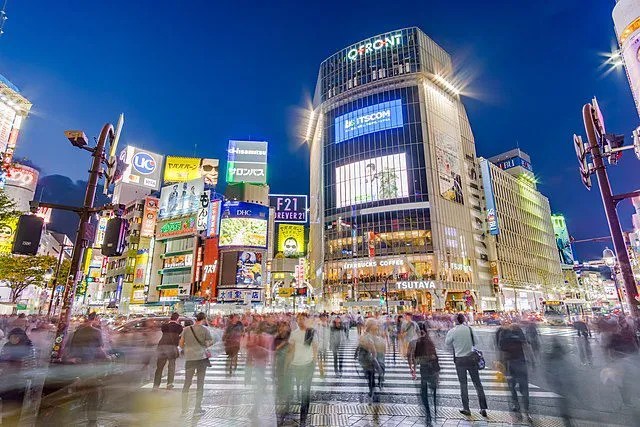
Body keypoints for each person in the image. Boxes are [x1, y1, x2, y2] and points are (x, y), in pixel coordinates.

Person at [445, 313, 488, 418]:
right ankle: (483, 408)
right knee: (477, 383)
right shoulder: (469, 329)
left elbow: (447, 343)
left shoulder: (452, 331)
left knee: (463, 384)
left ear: (455, 321)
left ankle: (466, 408)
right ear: (464, 320)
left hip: (460, 360)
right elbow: (476, 342)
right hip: (471, 359)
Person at [282, 313, 320, 427]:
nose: (301, 321)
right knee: (295, 388)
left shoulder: (311, 333)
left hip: (308, 365)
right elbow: (290, 351)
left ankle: (303, 418)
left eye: (303, 319)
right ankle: (288, 411)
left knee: (305, 392)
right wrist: (286, 366)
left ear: (307, 320)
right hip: (296, 365)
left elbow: (315, 349)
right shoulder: (294, 334)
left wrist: (316, 364)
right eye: (299, 319)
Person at [179, 312, 213, 416]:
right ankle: (197, 409)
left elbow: (181, 344)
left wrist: (188, 349)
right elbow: (209, 343)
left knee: (187, 383)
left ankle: (184, 409)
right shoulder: (205, 330)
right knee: (200, 384)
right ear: (204, 319)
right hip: (201, 359)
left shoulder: (186, 329)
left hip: (189, 359)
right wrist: (205, 344)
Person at [0, 328, 36, 425]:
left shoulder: (28, 347)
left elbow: (31, 365)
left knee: (16, 405)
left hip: (19, 382)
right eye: (11, 337)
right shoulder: (7, 346)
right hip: (6, 379)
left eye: (16, 337)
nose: (13, 339)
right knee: (6, 404)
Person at [497, 323, 530, 422]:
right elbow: (526, 346)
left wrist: (501, 365)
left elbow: (502, 352)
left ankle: (516, 405)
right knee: (524, 388)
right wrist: (530, 360)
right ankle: (527, 410)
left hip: (510, 364)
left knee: (511, 386)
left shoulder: (504, 334)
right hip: (521, 363)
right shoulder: (519, 333)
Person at [409, 322, 439, 427]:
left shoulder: (418, 341)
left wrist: (414, 369)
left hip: (424, 369)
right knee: (431, 391)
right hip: (432, 369)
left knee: (424, 393)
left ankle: (428, 415)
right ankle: (432, 412)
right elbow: (435, 357)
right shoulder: (429, 341)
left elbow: (415, 358)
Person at [153, 312, 183, 390]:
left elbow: (163, 332)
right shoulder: (179, 327)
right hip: (172, 347)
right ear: (177, 319)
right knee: (171, 366)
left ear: (170, 318)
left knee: (159, 367)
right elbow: (179, 334)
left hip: (162, 346)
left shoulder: (164, 326)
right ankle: (169, 384)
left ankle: (156, 385)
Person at [356, 319, 380, 400]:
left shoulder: (365, 335)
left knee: (369, 374)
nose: (377, 327)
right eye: (375, 326)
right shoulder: (368, 335)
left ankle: (371, 388)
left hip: (364, 358)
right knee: (371, 374)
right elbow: (373, 350)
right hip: (367, 357)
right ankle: (372, 389)